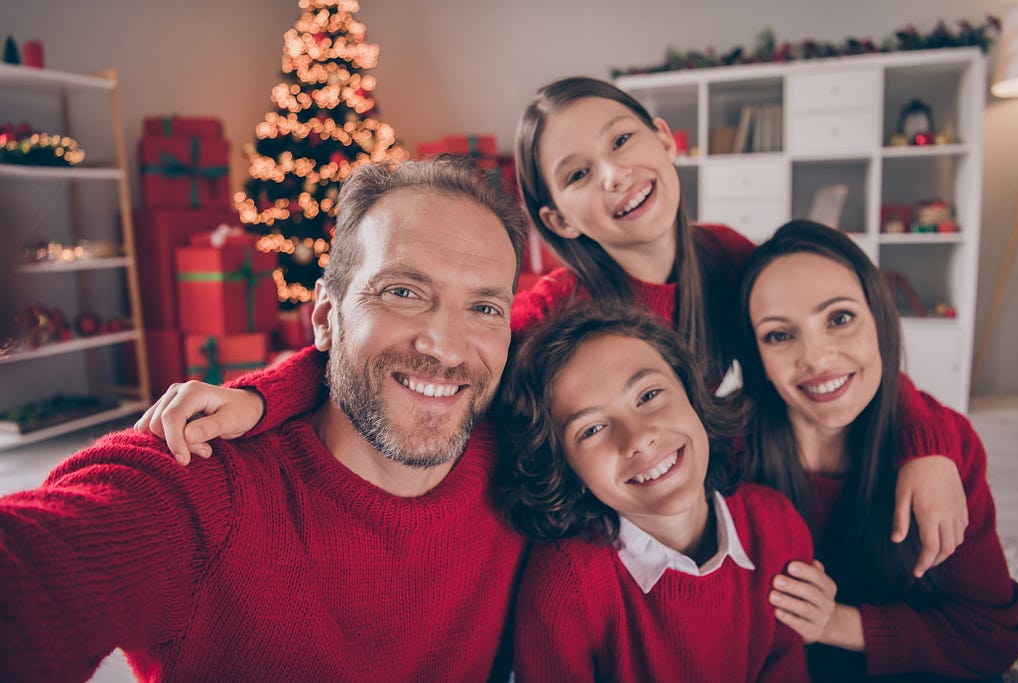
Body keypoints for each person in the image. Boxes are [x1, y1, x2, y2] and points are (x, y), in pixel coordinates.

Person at [138, 76, 965, 577]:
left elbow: (839, 347)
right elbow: (406, 351)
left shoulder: (731, 259)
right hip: (610, 529)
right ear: (552, 215)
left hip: (707, 501)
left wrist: (925, 439)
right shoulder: (554, 305)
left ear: (663, 140)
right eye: (577, 174)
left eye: (622, 141)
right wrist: (262, 395)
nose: (614, 176)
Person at [0, 157, 531, 681]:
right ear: (325, 317)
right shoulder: (204, 481)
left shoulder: (525, 457)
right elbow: (34, 569)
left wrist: (271, 392)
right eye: (403, 292)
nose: (447, 349)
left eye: (485, 308)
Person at [741, 220, 1018, 681]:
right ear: (758, 358)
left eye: (839, 318)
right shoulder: (727, 453)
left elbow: (991, 635)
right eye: (779, 335)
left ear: (880, 321)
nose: (815, 357)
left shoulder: (945, 446)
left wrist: (836, 623)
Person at [498, 303, 813, 681]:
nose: (639, 438)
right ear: (567, 470)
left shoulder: (777, 525)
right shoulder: (564, 588)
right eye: (592, 429)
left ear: (691, 394)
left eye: (648, 396)